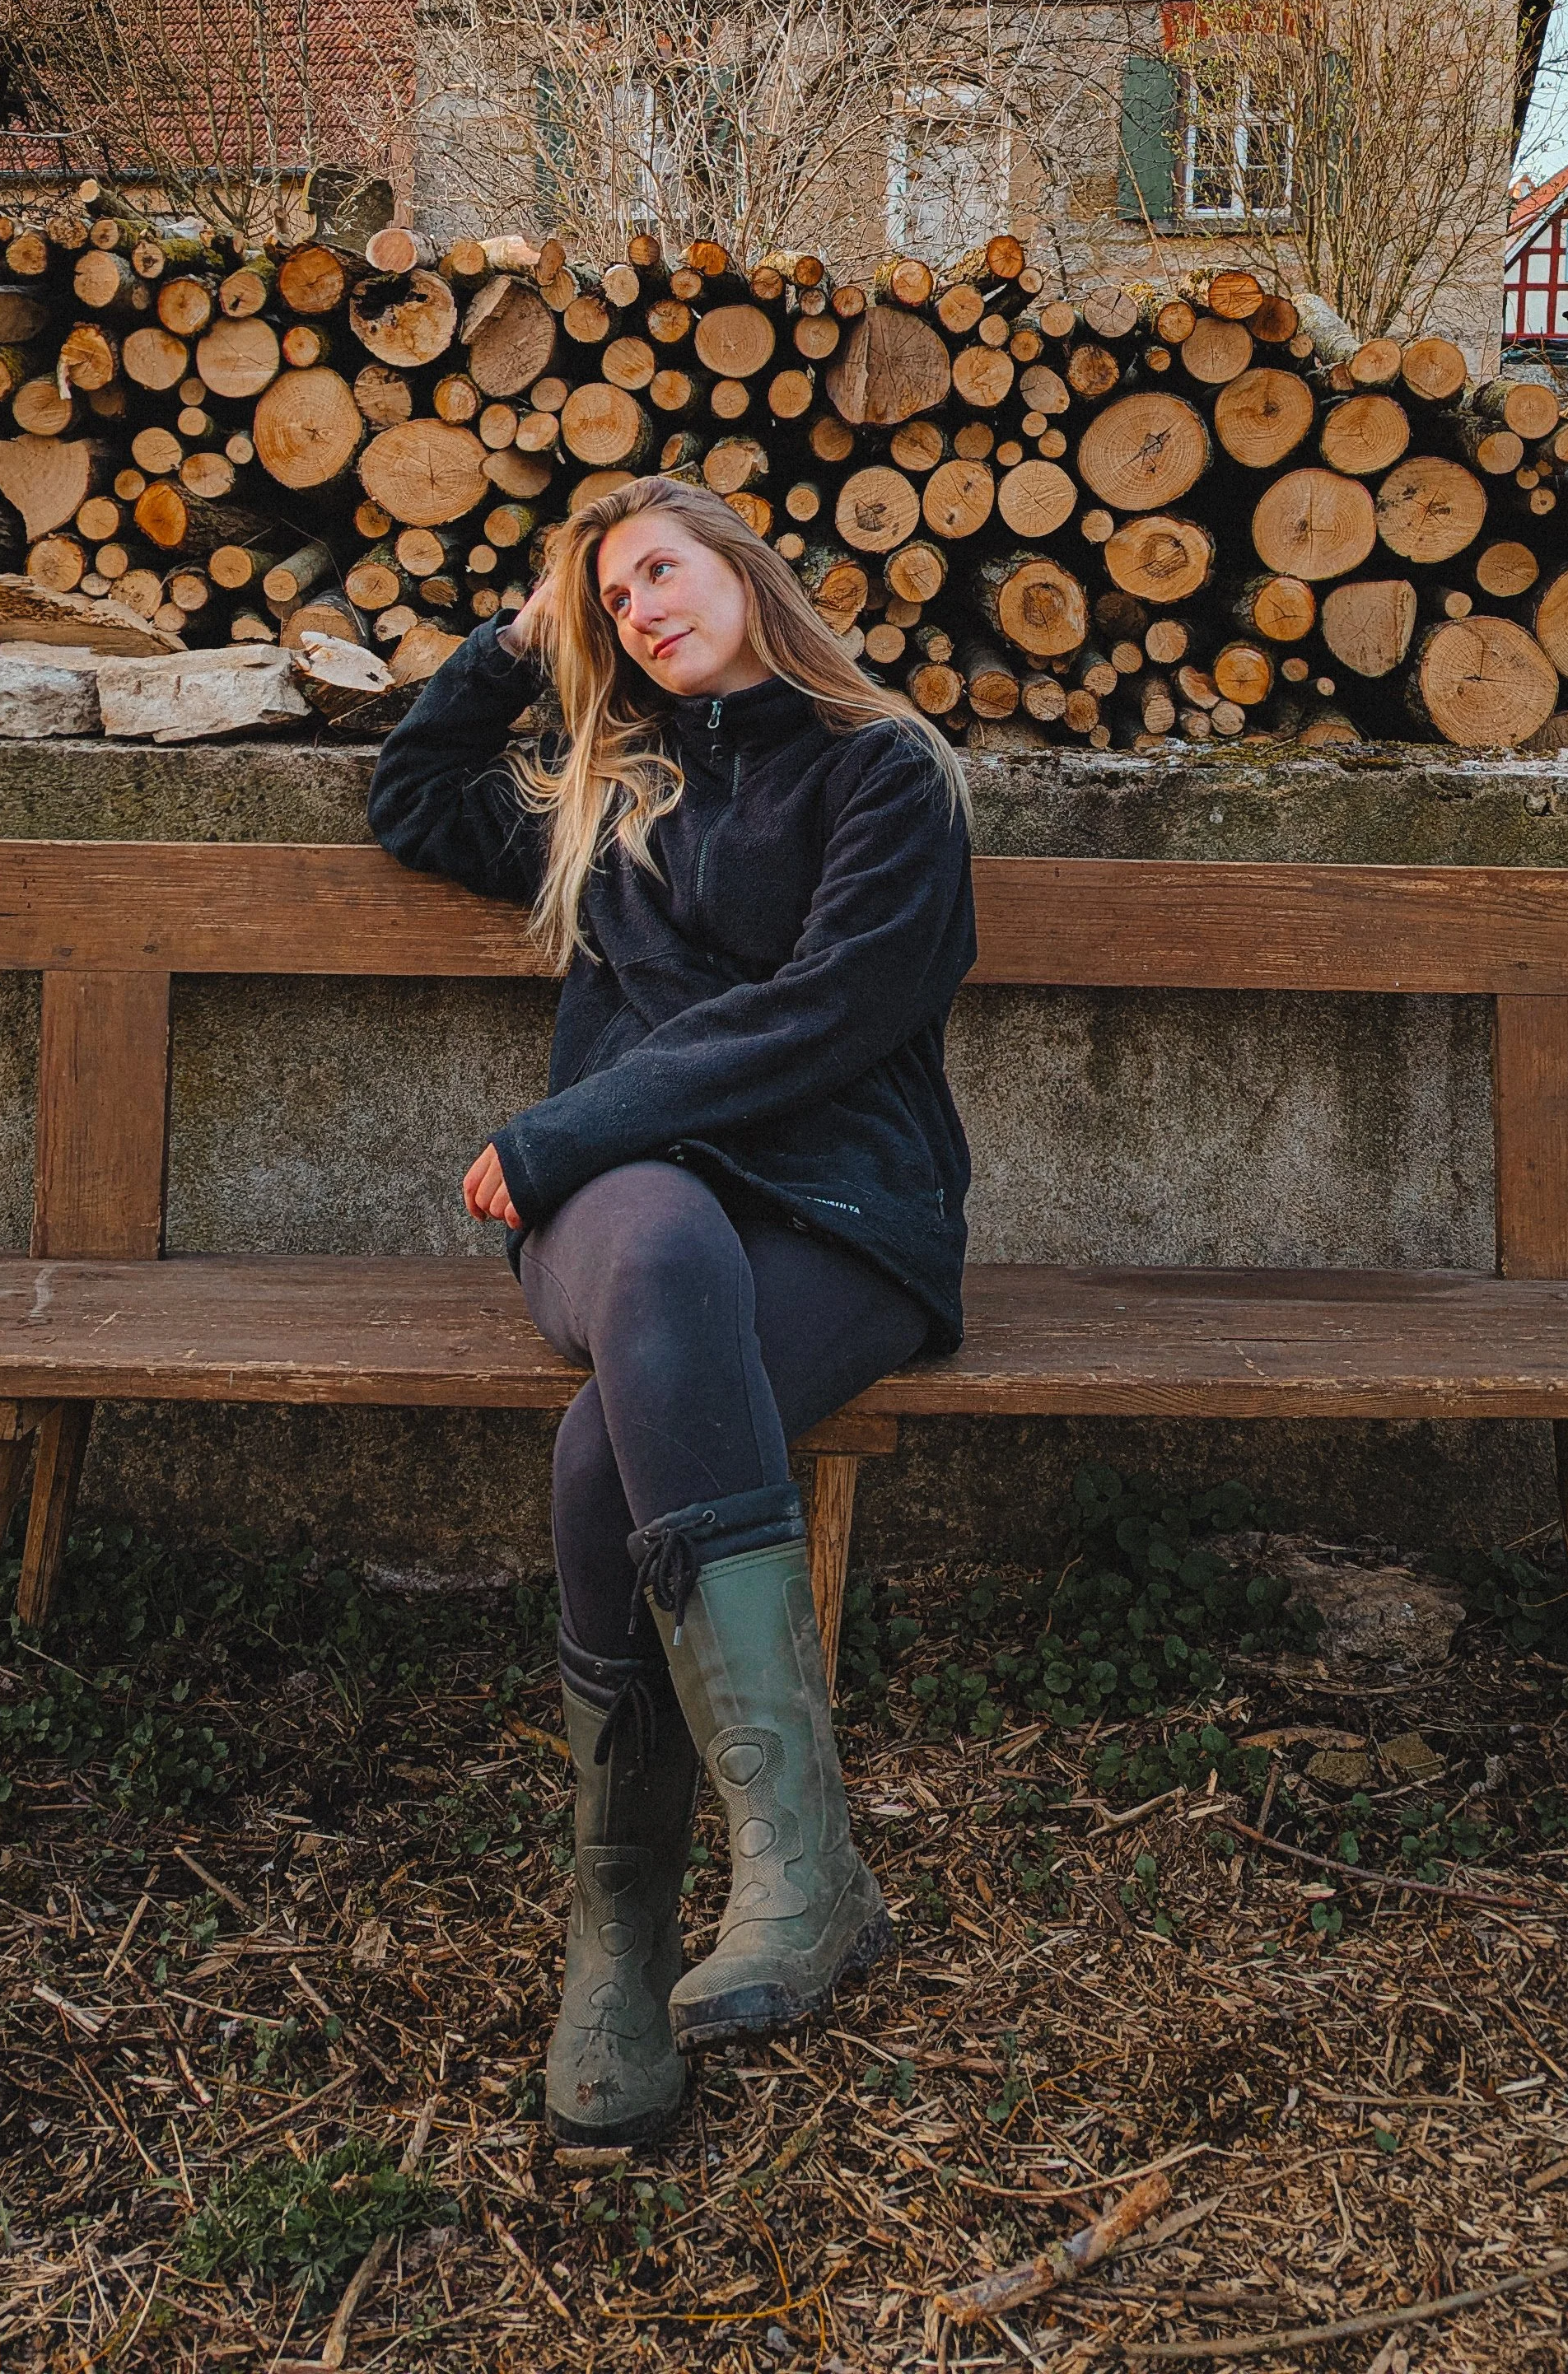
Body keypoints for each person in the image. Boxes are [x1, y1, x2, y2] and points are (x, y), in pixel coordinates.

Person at [367, 472, 974, 2147]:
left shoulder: (884, 776)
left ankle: (632, 1934)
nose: (639, 608)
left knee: (596, 1459)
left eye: (657, 570)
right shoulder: (603, 801)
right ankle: (782, 1879)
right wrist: (516, 637)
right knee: (655, 1249)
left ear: (742, 570)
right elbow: (412, 793)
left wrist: (564, 1126)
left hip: (842, 1210)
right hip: (633, 1223)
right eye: (610, 599)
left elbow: (835, 1009)